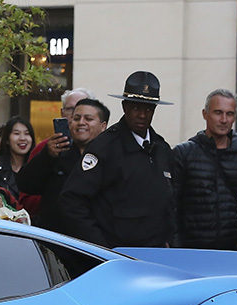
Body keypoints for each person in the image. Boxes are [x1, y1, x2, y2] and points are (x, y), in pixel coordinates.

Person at [59, 71, 175, 248]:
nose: (142, 115)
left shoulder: (161, 148)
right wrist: (100, 247)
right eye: (136, 107)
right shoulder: (104, 147)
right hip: (116, 254)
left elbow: (170, 203)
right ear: (124, 106)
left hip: (155, 254)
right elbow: (72, 201)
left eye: (148, 109)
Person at [171, 89, 237, 251]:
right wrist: (177, 246)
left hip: (235, 249)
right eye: (218, 113)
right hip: (191, 248)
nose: (224, 120)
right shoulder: (183, 153)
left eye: (230, 114)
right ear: (205, 114)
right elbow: (172, 204)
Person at [16, 98, 109, 234]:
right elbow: (25, 184)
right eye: (76, 118)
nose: (81, 123)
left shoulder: (111, 155)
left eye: (88, 119)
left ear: (103, 126)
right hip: (55, 239)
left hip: (95, 241)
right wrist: (47, 156)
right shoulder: (54, 151)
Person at [0, 117, 39, 214]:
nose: (22, 138)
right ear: (7, 140)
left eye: (27, 134)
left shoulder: (38, 167)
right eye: (16, 133)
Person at [30, 87, 96, 159]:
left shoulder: (105, 146)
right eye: (70, 109)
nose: (75, 113)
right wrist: (46, 155)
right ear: (62, 113)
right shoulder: (45, 147)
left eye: (81, 108)